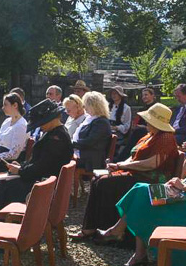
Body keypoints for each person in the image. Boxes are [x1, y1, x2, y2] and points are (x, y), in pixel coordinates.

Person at [96, 102, 186, 266]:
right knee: (140, 191)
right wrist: (176, 184)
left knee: (143, 195)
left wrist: (183, 186)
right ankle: (132, 247)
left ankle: (123, 237)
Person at [71, 103, 179, 242]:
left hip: (152, 179)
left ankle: (109, 230)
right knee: (97, 179)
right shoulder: (149, 135)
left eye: (149, 120)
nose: (146, 122)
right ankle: (91, 227)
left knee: (105, 183)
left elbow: (153, 163)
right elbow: (133, 155)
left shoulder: (165, 138)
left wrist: (124, 166)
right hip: (137, 173)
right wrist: (118, 165)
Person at [0, 100, 73, 221]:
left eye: (41, 123)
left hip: (43, 184)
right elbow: (40, 163)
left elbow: (42, 167)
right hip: (40, 178)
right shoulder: (54, 133)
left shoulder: (56, 138)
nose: (40, 126)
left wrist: (20, 171)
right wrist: (21, 167)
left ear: (52, 119)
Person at [73, 91, 114, 172]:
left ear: (94, 106)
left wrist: (71, 144)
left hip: (91, 159)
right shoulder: (90, 118)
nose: (84, 107)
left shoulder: (101, 122)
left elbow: (90, 142)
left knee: (61, 157)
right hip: (84, 153)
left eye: (86, 105)